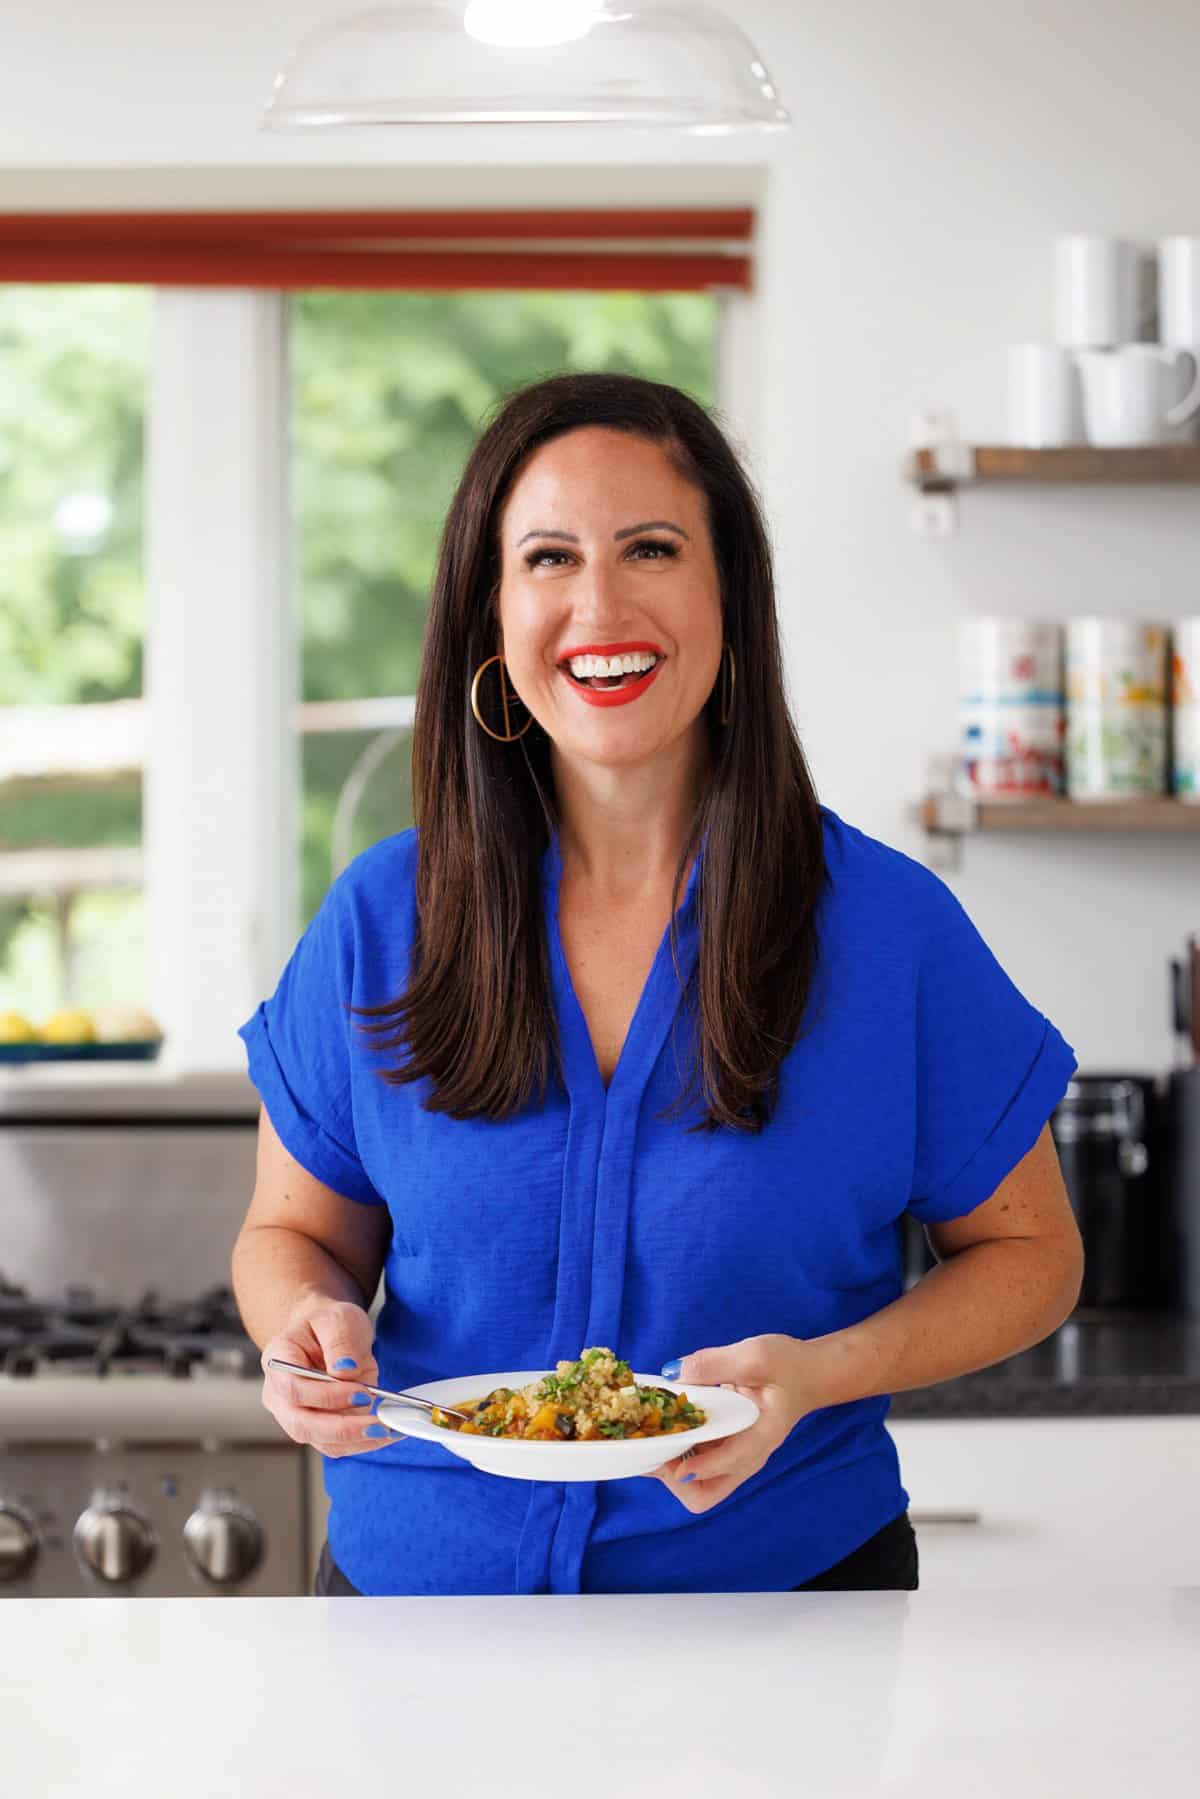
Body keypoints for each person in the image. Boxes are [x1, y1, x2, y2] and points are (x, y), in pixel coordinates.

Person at [232, 371, 1084, 1597]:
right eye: (548, 557)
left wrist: (821, 1371)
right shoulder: (383, 917)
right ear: (491, 612)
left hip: (784, 1612)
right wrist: (302, 1323)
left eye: (650, 548)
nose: (599, 602)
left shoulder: (892, 928)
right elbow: (292, 1230)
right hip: (414, 1624)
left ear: (728, 591)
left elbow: (1030, 1253)